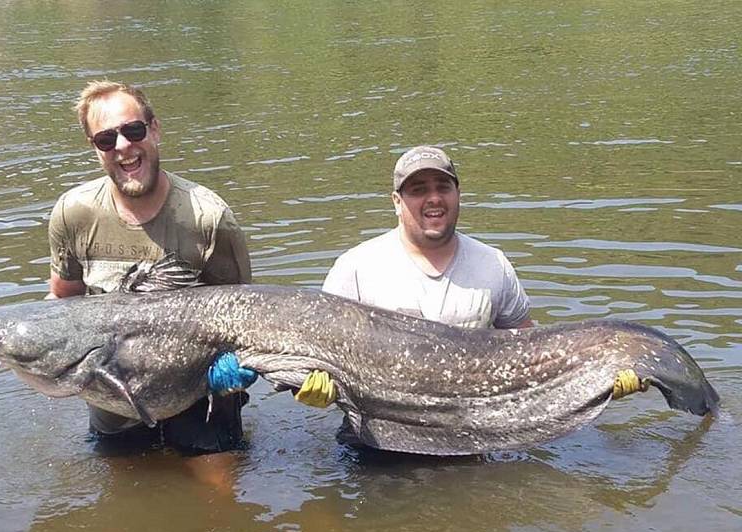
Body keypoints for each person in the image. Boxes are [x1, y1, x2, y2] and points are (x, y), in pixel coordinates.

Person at [47, 80, 254, 455]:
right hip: (113, 405)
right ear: (94, 148)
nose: (123, 147)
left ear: (154, 130)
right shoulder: (73, 213)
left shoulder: (208, 217)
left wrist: (236, 369)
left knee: (220, 506)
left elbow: (246, 319)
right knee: (121, 505)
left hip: (203, 397)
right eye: (106, 139)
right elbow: (63, 301)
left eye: (133, 130)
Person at [293, 146, 533, 436]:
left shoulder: (493, 264)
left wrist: (596, 372)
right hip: (377, 446)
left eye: (443, 187)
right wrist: (314, 385)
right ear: (397, 201)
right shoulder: (354, 268)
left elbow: (529, 350)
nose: (433, 198)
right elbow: (315, 354)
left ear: (458, 195)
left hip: (472, 437)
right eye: (418, 190)